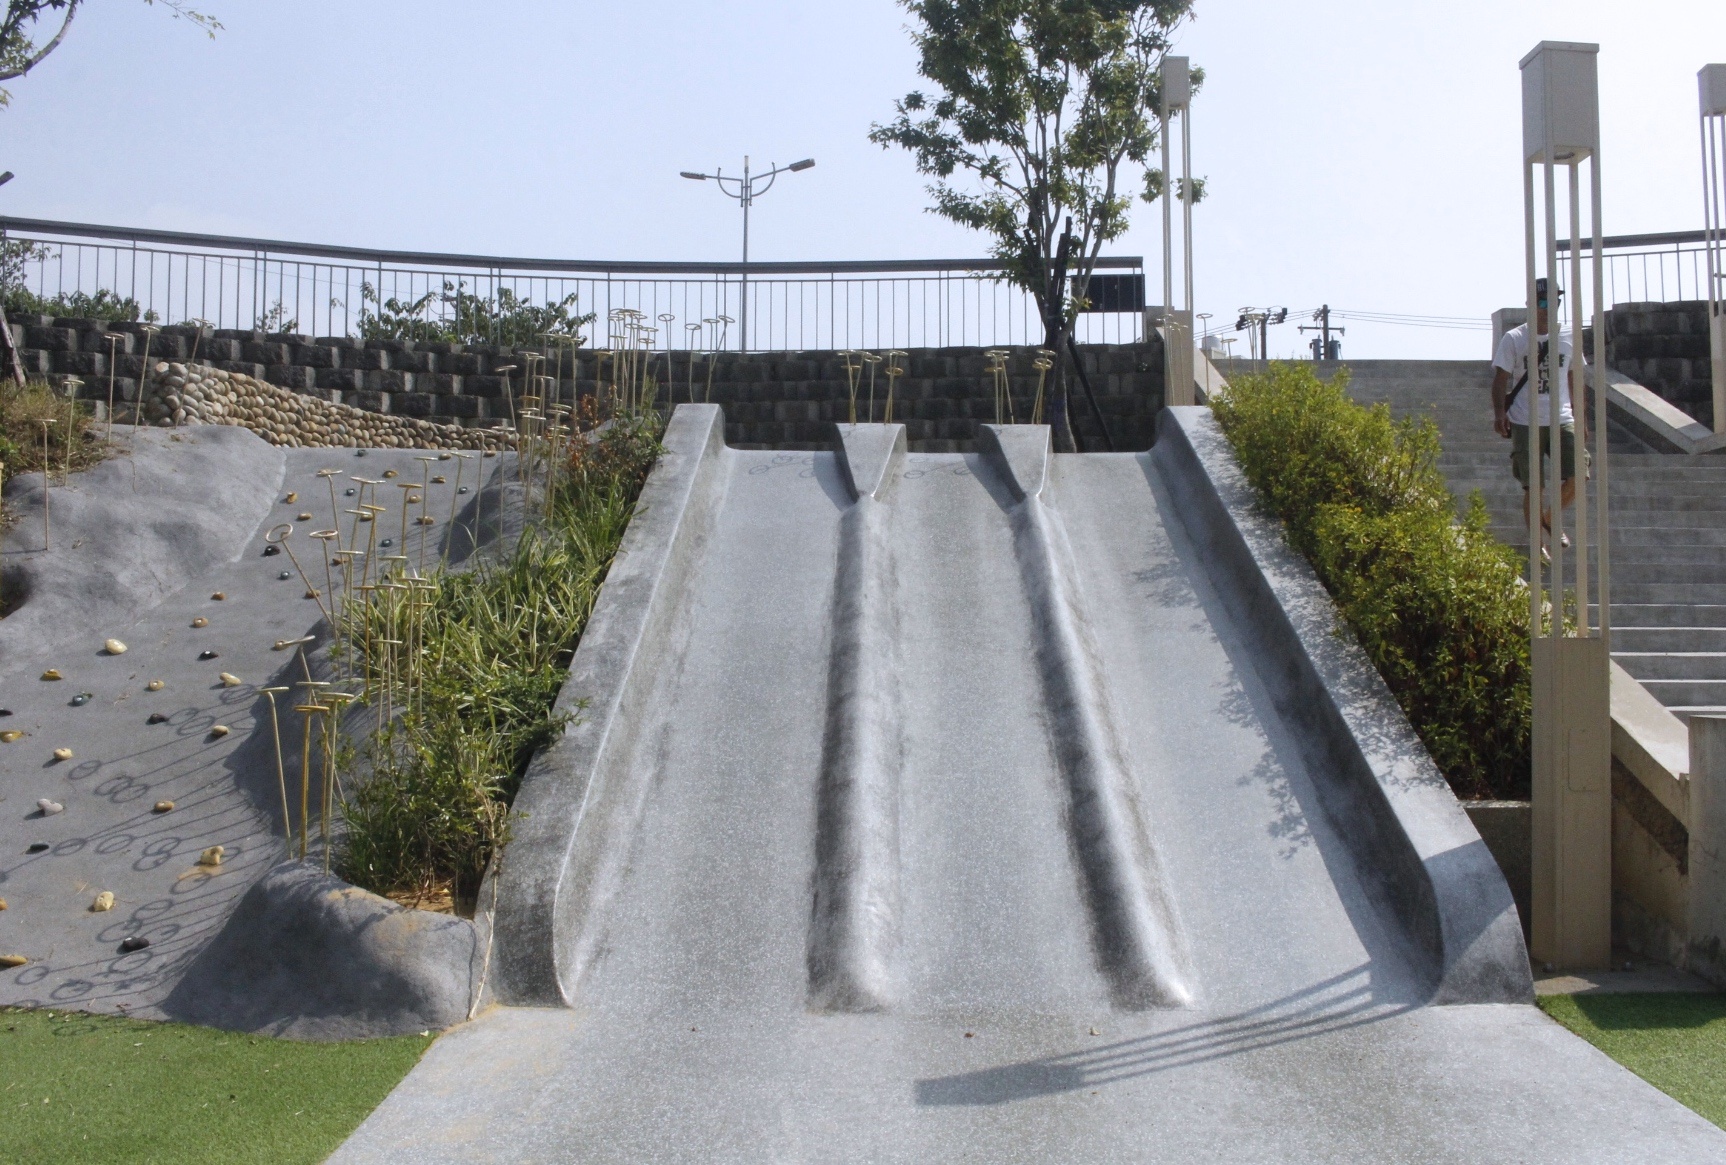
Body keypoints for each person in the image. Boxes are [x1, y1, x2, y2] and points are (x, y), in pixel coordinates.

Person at [1491, 277, 1588, 562]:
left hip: (1561, 418)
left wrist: (1581, 419)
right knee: (1535, 485)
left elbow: (1574, 377)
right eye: (1542, 302)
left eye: (1554, 302)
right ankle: (1537, 542)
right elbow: (1500, 380)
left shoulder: (1569, 336)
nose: (1548, 308)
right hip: (1525, 419)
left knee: (1579, 476)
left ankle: (1548, 519)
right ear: (1530, 305)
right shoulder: (1515, 338)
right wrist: (1499, 413)